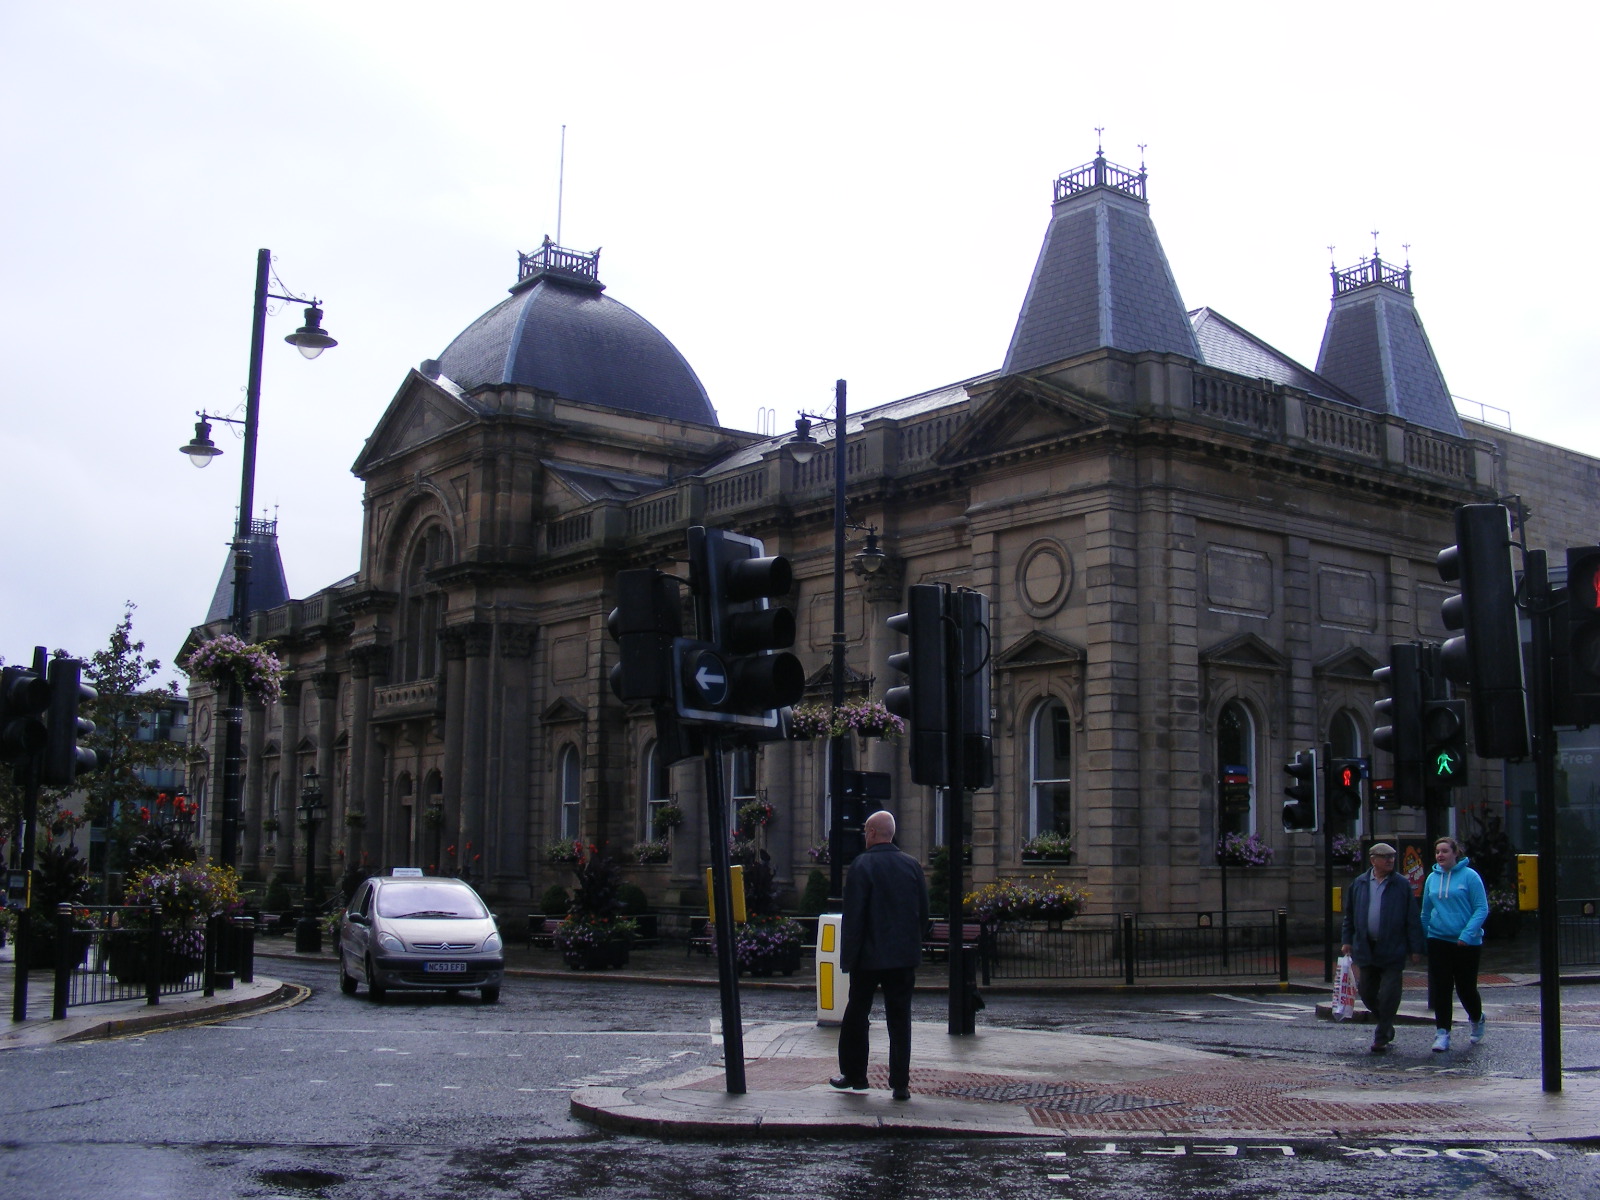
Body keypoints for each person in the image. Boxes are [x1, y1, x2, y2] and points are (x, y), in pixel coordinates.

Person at [831, 809, 929, 1102]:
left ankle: (855, 1075)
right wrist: (913, 943)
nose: (864, 835)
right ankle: (900, 1084)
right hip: (902, 957)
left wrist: (848, 959)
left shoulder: (862, 866)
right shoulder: (912, 866)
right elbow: (923, 914)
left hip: (868, 958)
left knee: (857, 1016)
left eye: (865, 831)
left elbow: (854, 918)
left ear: (873, 833)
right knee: (900, 1021)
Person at [1339, 842, 1423, 1053]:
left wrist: (1415, 948)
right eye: (1385, 857)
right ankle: (1386, 1021)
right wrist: (1346, 940)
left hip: (1393, 947)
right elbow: (1349, 915)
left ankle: (1382, 1034)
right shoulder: (1359, 883)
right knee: (1367, 992)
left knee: (1389, 994)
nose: (1390, 861)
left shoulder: (1401, 884)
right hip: (1366, 948)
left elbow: (1412, 917)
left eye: (1392, 857)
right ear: (1373, 860)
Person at [1420, 835, 1489, 1052]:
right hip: (1438, 938)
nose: (1440, 855)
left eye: (1445, 851)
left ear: (1455, 853)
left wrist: (1467, 934)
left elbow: (1481, 908)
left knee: (1466, 988)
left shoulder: (1470, 877)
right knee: (1441, 987)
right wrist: (1425, 937)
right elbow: (1425, 911)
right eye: (1437, 852)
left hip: (1466, 942)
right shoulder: (1432, 878)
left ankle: (1477, 1018)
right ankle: (1442, 1033)